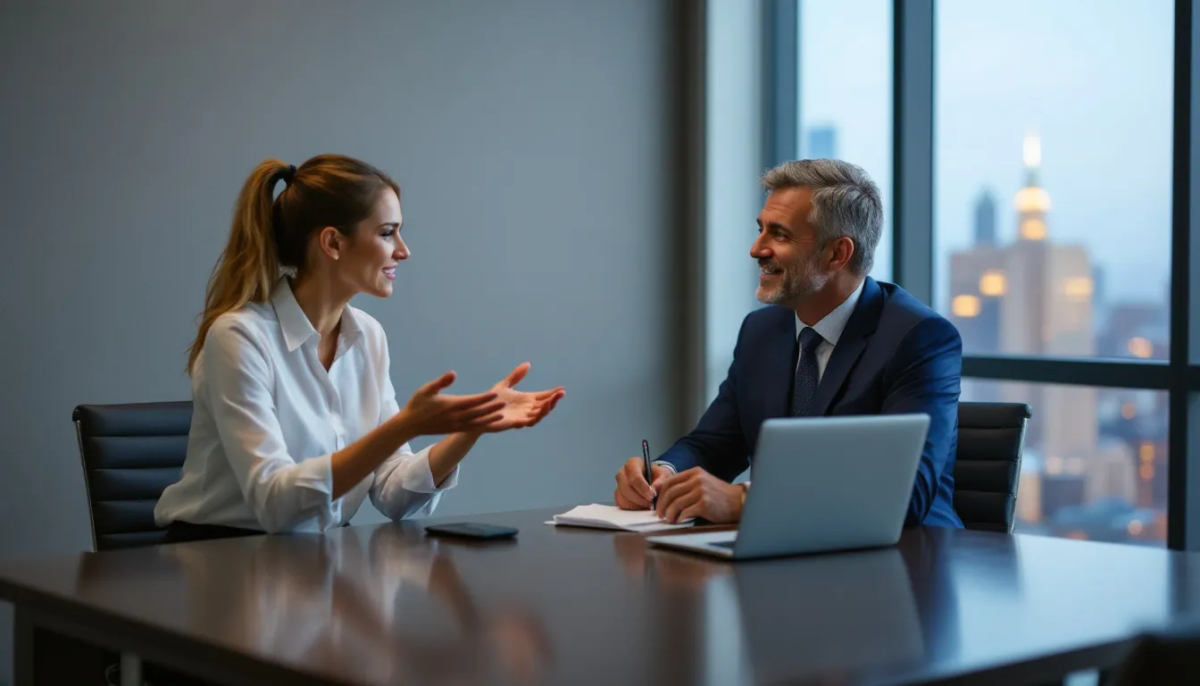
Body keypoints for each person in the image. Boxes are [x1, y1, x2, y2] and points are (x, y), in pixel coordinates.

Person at [155, 154, 564, 538]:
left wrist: (472, 425)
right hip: (218, 557)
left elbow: (392, 491)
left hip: (314, 561)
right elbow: (273, 503)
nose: (403, 251)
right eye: (387, 233)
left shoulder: (368, 336)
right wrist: (405, 426)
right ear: (332, 243)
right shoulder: (239, 337)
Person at [613, 159, 963, 528]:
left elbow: (906, 493)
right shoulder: (761, 331)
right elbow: (713, 443)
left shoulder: (919, 338)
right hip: (781, 559)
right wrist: (664, 474)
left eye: (779, 235)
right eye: (761, 229)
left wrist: (748, 501)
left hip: (906, 562)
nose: (756, 249)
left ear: (837, 253)